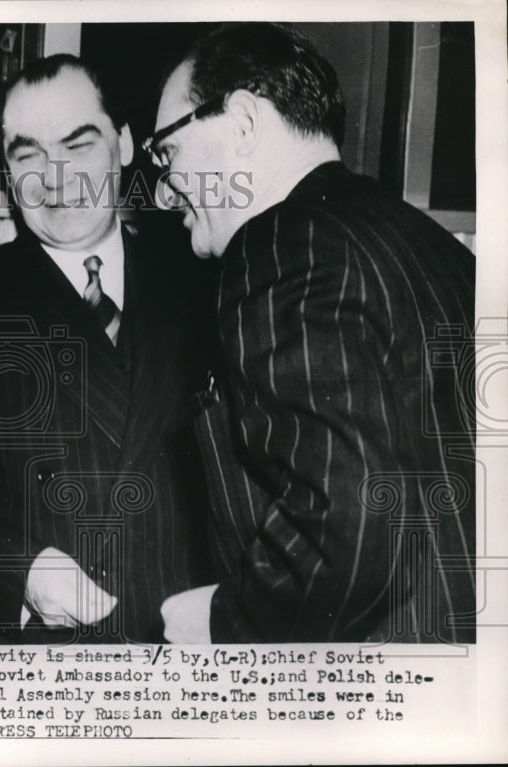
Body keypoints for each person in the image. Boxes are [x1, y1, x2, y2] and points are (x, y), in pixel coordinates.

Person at [145, 23, 476, 643]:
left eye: (167, 152)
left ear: (242, 122)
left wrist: (219, 623)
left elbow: (346, 525)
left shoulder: (277, 244)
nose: (165, 193)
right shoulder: (432, 246)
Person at [0, 55, 215, 644]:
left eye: (78, 145)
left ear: (125, 145)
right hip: (20, 676)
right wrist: (17, 572)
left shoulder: (210, 285)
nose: (54, 178)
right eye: (28, 154)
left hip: (181, 663)